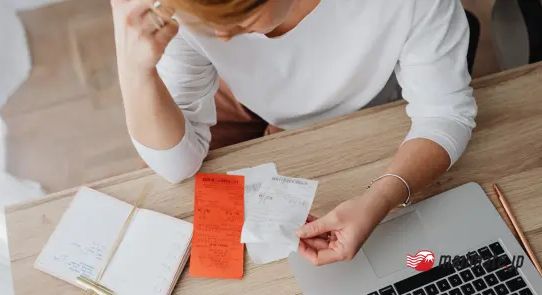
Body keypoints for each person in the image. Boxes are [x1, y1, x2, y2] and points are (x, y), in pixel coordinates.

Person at [111, 0, 477, 266]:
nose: (221, 38)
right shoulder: (186, 12)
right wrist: (134, 69)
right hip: (236, 93)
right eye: (206, 23)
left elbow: (445, 115)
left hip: (363, 99)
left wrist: (380, 199)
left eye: (239, 19)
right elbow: (176, 166)